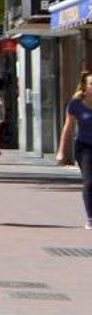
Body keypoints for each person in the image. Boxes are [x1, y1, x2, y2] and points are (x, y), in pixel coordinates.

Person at [63, 81, 92, 229]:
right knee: (89, 182)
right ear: (85, 87)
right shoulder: (76, 105)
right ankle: (90, 218)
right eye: (91, 83)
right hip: (85, 147)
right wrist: (62, 151)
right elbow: (68, 128)